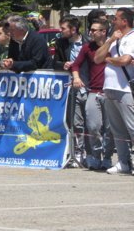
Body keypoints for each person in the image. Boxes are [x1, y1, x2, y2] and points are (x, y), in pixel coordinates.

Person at [94, 7, 134, 175]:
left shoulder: (132, 38)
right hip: (109, 88)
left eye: (116, 18)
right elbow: (97, 58)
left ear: (124, 21)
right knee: (117, 129)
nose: (113, 21)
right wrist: (110, 41)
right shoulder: (115, 38)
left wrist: (108, 59)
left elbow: (125, 60)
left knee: (132, 128)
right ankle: (123, 163)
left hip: (125, 89)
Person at [70, 19, 114, 170]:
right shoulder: (87, 47)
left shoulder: (114, 45)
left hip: (111, 91)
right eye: (91, 29)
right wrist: (76, 77)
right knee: (93, 126)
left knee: (110, 128)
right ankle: (95, 155)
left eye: (95, 30)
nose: (91, 32)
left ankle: (107, 157)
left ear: (103, 32)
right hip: (93, 91)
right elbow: (76, 64)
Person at [53, 15, 88, 167]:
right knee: (74, 121)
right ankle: (77, 152)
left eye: (63, 28)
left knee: (93, 122)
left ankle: (92, 152)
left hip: (89, 84)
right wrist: (63, 64)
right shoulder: (61, 43)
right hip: (72, 86)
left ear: (73, 29)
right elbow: (54, 62)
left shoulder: (87, 42)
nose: (61, 31)